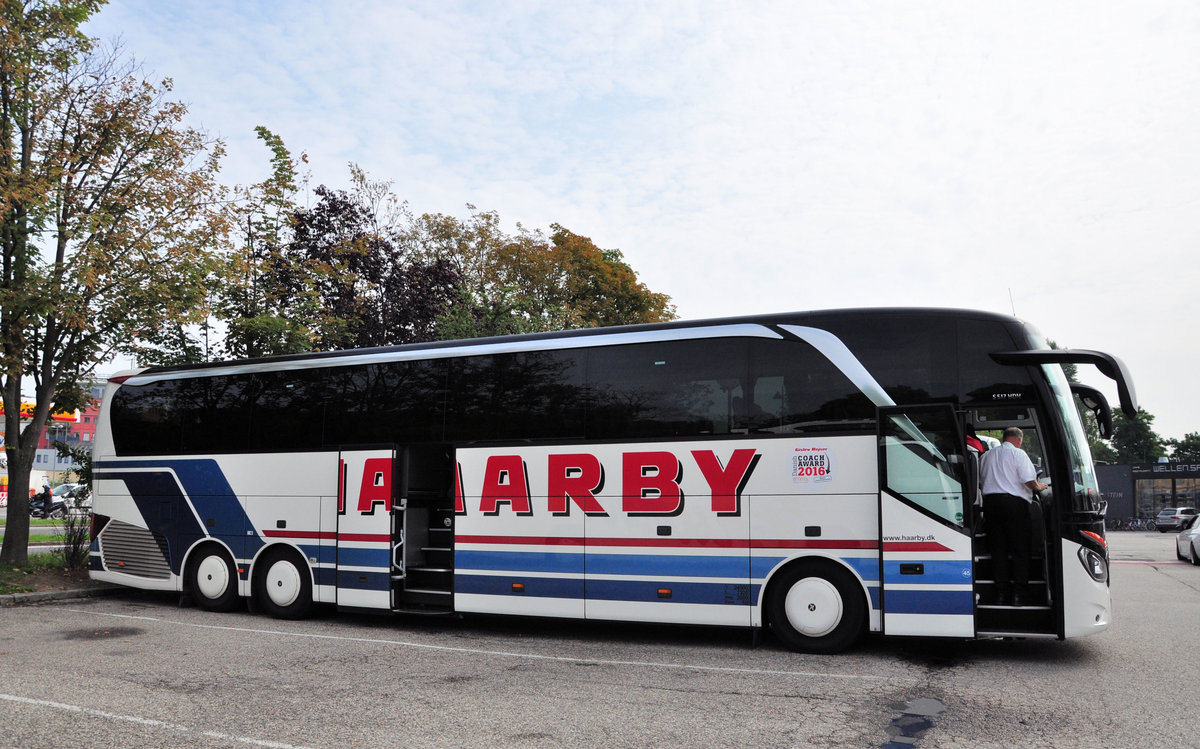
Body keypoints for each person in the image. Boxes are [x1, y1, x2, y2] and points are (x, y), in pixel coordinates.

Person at [979, 426, 1047, 606]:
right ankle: (1019, 593)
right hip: (1015, 506)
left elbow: (981, 479)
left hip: (991, 505)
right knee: (1020, 549)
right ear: (1019, 440)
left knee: (998, 550)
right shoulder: (1019, 454)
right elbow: (1028, 480)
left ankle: (1001, 593)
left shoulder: (986, 456)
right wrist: (1040, 486)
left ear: (1004, 438)